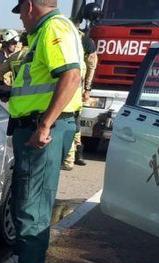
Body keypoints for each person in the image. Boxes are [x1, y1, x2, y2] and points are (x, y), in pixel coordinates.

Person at [0, 0, 85, 263]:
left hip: (40, 131)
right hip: (31, 127)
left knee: (33, 206)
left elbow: (70, 77)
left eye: (21, 13)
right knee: (23, 198)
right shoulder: (43, 33)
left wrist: (44, 124)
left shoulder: (54, 29)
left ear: (29, 6)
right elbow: (40, 83)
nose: (22, 21)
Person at [62, 31, 99, 170]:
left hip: (75, 90)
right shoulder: (73, 40)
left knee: (72, 121)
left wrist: (87, 89)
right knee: (74, 122)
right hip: (75, 89)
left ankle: (73, 156)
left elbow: (91, 65)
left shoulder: (85, 43)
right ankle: (76, 154)